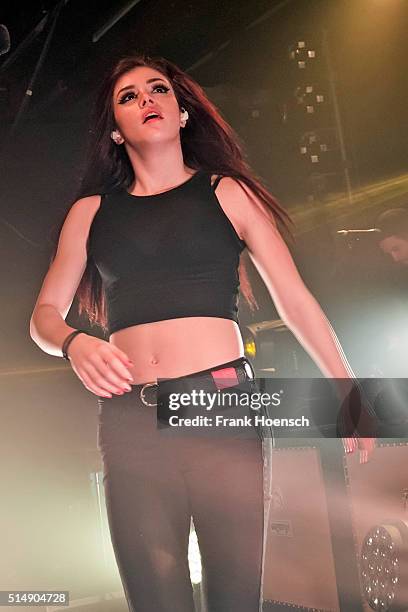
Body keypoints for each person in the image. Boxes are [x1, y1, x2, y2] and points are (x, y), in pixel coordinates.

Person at [29, 54, 375, 612]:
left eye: (158, 88)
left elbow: (296, 300)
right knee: (156, 600)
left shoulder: (228, 193)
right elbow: (44, 315)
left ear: (182, 112)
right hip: (132, 418)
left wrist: (348, 387)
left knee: (236, 597)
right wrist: (74, 342)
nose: (147, 99)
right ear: (115, 132)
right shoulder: (90, 213)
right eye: (129, 95)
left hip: (220, 407)